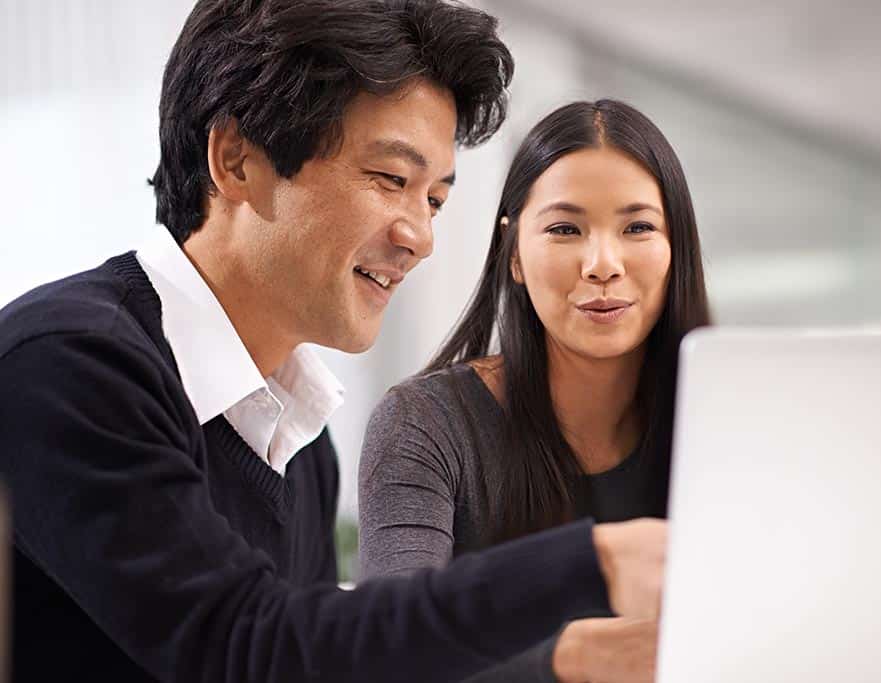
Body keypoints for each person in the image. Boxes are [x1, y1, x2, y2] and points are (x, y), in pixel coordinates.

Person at [0, 4, 669, 682]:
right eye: (390, 180)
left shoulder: (300, 443)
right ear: (236, 159)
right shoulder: (70, 364)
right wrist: (590, 567)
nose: (420, 236)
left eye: (434, 199)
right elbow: (244, 646)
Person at [359, 99, 712, 682]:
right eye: (565, 229)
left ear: (678, 250)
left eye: (639, 227)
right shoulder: (425, 424)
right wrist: (569, 662)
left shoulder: (731, 427)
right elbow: (390, 656)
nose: (602, 264)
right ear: (515, 254)